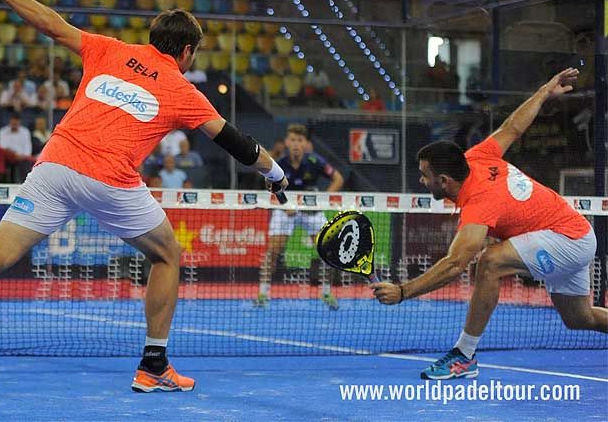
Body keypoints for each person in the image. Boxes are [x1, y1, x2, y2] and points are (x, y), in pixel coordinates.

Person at [0, 0, 288, 394]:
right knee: (167, 255)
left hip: (54, 165)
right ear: (187, 51)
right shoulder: (182, 88)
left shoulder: (109, 49)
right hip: (110, 179)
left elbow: (51, 25)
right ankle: (153, 365)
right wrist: (276, 174)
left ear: (153, 37)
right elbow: (236, 142)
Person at [372, 68, 606, 379]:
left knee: (491, 261)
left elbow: (456, 263)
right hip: (574, 234)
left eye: (424, 175)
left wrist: (403, 291)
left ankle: (464, 355)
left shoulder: (478, 203)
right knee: (580, 319)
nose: (420, 179)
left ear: (443, 180)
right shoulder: (476, 158)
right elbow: (513, 127)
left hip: (567, 239)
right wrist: (544, 92)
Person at [254, 123, 344, 309]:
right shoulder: (279, 163)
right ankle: (263, 294)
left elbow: (338, 178)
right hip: (285, 208)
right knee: (273, 251)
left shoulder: (314, 161)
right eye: (293, 140)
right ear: (287, 142)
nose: (296, 144)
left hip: (311, 210)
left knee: (328, 250)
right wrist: (284, 202)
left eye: (300, 140)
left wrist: (321, 200)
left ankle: (326, 293)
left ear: (305, 143)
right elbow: (269, 183)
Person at [0, 112, 35, 182]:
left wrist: (24, 155)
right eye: (13, 120)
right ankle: (1, 173)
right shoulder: (3, 131)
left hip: (22, 156)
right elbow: (2, 146)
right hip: (10, 155)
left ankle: (28, 182)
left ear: (19, 122)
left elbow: (28, 147)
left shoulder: (25, 131)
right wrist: (14, 153)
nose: (14, 122)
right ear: (10, 121)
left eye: (16, 120)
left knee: (34, 160)